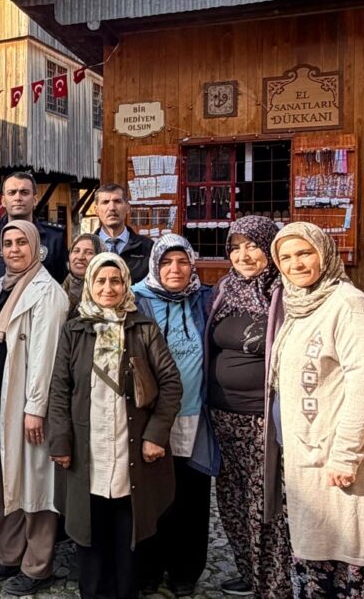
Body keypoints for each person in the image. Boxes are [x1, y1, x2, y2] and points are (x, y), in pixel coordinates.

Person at [270, 222, 364, 598]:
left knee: (352, 546)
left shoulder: (348, 304)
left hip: (344, 459)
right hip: (308, 455)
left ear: (325, 254)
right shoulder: (299, 304)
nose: (295, 264)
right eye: (286, 257)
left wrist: (345, 454)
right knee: (318, 548)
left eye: (304, 253)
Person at [47, 252, 182, 599]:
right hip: (87, 447)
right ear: (90, 285)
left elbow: (170, 383)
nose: (108, 288)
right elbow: (59, 388)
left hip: (129, 445)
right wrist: (60, 440)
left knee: (127, 527)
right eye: (100, 281)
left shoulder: (143, 328)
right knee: (89, 527)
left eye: (116, 281)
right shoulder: (75, 330)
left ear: (126, 285)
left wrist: (156, 436)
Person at [0, 220, 67, 596]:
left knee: (35, 484)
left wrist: (36, 407)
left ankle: (37, 565)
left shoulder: (49, 292)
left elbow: (46, 356)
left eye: (21, 243)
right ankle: (9, 554)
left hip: (24, 405)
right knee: (0, 482)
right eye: (8, 243)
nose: (14, 250)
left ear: (36, 247)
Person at [205, 216, 293, 598]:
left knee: (267, 503)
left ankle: (273, 583)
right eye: (235, 247)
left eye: (252, 246)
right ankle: (248, 570)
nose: (243, 255)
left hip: (263, 421)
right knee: (233, 500)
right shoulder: (224, 291)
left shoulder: (284, 294)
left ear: (269, 248)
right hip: (222, 418)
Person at [132, 234, 213, 597]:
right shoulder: (137, 299)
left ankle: (185, 571)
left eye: (182, 262)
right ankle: (148, 569)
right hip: (151, 417)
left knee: (191, 495)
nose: (175, 269)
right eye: (166, 262)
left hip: (194, 414)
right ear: (155, 265)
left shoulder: (204, 298)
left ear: (192, 264)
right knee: (152, 493)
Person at [0, 172, 68, 288]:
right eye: (12, 193)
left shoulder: (54, 238)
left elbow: (63, 282)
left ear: (35, 200)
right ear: (3, 201)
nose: (18, 198)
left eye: (24, 192)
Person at [94, 183, 154, 282]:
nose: (112, 208)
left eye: (117, 201)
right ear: (96, 210)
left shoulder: (148, 248)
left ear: (127, 207)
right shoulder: (86, 248)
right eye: (105, 202)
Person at [62, 233, 105, 320]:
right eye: (76, 251)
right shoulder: (58, 290)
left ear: (100, 257)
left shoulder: (106, 292)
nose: (80, 257)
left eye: (89, 252)